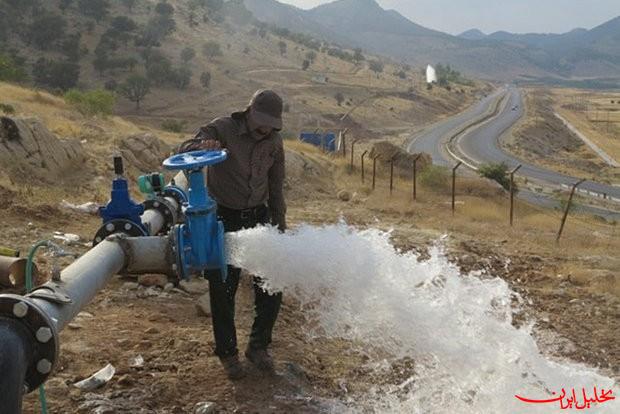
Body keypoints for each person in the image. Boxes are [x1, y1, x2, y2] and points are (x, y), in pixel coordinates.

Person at [176, 89, 286, 380]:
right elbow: (184, 149)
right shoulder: (223, 128)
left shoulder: (274, 141)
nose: (265, 128)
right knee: (224, 289)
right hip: (225, 218)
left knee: (272, 284)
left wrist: (280, 226)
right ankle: (228, 354)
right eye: (261, 121)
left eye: (271, 124)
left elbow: (276, 187)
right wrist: (203, 145)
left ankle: (258, 347)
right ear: (249, 110)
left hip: (259, 218)